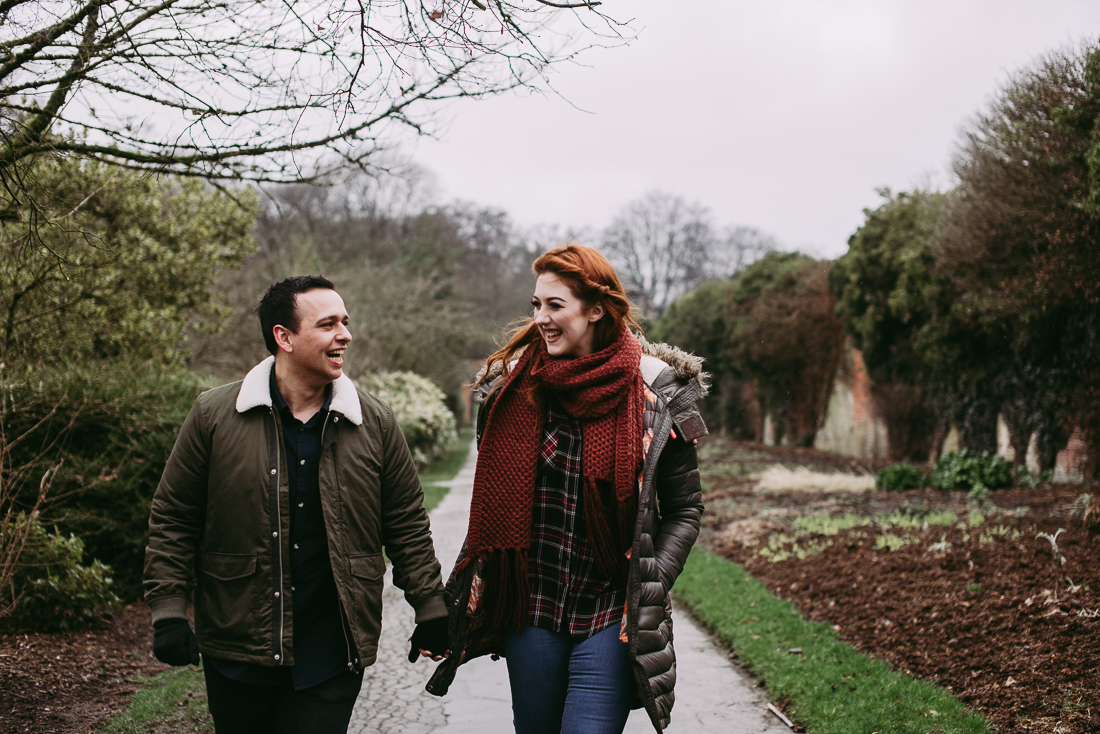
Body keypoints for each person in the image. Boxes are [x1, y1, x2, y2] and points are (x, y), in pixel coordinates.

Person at [144, 275, 449, 733]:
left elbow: (404, 521)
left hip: (333, 648)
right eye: (328, 324)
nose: (345, 335)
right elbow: (174, 516)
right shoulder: (213, 415)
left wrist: (429, 605)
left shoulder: (375, 422)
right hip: (238, 645)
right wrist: (169, 609)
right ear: (283, 337)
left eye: (345, 322)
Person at [426, 245, 707, 734]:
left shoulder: (655, 394)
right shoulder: (508, 392)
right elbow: (492, 508)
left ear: (596, 308)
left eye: (555, 305)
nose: (540, 318)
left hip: (608, 608)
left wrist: (651, 580)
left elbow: (685, 509)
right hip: (531, 608)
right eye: (536, 304)